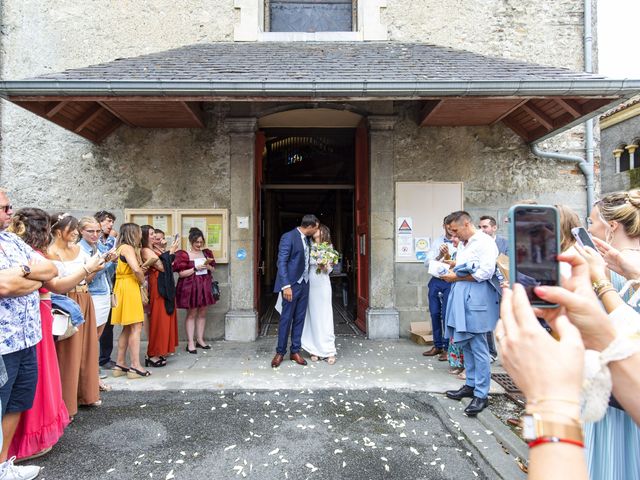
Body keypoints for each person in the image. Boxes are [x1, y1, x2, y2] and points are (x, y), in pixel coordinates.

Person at [7, 209, 103, 462]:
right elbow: (49, 282)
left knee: (33, 381)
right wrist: (37, 281)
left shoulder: (26, 252)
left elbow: (47, 274)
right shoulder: (28, 251)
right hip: (31, 319)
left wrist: (31, 280)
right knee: (30, 383)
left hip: (40, 312)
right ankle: (21, 443)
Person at [0, 191, 58, 480]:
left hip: (27, 337)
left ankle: (2, 466)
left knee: (17, 402)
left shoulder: (11, 241)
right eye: (5, 208)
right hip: (3, 341)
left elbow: (48, 269)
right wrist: (31, 280)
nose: (11, 213)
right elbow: (5, 287)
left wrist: (23, 272)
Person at [442, 211, 500, 416]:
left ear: (466, 224)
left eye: (455, 230)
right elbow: (464, 267)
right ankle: (471, 384)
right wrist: (452, 265)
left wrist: (456, 279)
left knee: (478, 345)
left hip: (476, 297)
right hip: (461, 296)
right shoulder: (465, 244)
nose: (453, 235)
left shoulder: (484, 242)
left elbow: (485, 272)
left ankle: (482, 394)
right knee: (465, 341)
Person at [48, 213, 103, 415]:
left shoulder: (78, 249)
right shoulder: (51, 252)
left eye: (74, 228)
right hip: (67, 300)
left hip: (85, 297)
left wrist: (97, 266)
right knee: (69, 353)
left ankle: (87, 394)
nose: (73, 233)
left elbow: (88, 276)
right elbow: (57, 285)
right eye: (69, 229)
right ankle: (67, 405)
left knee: (88, 348)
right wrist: (85, 271)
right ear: (57, 231)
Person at [271, 214, 319, 368]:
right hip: (291, 285)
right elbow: (282, 262)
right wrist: (286, 286)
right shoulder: (288, 237)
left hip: (305, 284)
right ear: (310, 226)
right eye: (316, 228)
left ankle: (295, 351)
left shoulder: (308, 240)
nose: (316, 231)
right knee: (286, 319)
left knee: (300, 318)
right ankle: (280, 352)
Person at [78, 217, 116, 385]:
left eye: (97, 231)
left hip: (104, 292)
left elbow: (106, 272)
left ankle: (92, 373)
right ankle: (89, 374)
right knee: (91, 337)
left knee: (97, 335)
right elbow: (86, 278)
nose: (95, 235)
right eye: (90, 231)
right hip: (93, 294)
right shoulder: (80, 250)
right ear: (81, 231)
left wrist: (111, 262)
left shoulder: (96, 247)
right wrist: (106, 263)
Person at [111, 223, 149, 379]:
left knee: (127, 328)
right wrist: (142, 282)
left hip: (120, 286)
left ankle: (120, 364)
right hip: (130, 286)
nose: (141, 235)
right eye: (139, 232)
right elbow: (136, 268)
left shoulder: (119, 248)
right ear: (134, 233)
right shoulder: (128, 248)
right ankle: (135, 366)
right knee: (136, 326)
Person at [172, 228, 217, 354]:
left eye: (201, 242)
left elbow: (213, 269)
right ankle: (190, 342)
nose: (199, 244)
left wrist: (207, 266)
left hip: (204, 285)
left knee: (202, 313)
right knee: (191, 314)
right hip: (190, 287)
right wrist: (195, 269)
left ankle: (200, 340)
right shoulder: (184, 254)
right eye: (196, 242)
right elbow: (181, 274)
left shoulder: (206, 253)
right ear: (191, 241)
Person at [141, 227, 180, 366]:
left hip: (164, 284)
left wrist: (167, 251)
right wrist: (173, 251)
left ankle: (160, 351)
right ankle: (152, 354)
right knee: (159, 319)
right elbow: (163, 266)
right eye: (151, 234)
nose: (154, 236)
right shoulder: (146, 250)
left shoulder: (155, 249)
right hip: (158, 287)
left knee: (165, 318)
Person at [301, 224, 337, 365]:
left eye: (319, 229)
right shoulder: (308, 246)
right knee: (313, 316)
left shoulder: (329, 248)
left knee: (325, 315)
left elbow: (329, 270)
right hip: (311, 284)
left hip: (323, 284)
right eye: (316, 230)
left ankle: (329, 350)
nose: (316, 231)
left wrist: (324, 265)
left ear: (324, 232)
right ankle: (313, 349)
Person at [422, 218, 455, 361]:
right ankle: (438, 345)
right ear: (444, 226)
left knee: (447, 315)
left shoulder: (461, 242)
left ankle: (448, 348)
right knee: (435, 313)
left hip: (451, 281)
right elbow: (426, 262)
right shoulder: (437, 241)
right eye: (447, 225)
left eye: (452, 225)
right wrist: (440, 255)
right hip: (436, 281)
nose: (450, 227)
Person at [94, 210, 117, 370]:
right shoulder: (95, 244)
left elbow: (110, 268)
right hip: (95, 290)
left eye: (111, 222)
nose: (110, 225)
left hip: (107, 287)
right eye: (108, 221)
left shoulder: (108, 241)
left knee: (108, 325)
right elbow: (100, 266)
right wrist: (111, 261)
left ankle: (104, 357)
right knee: (96, 328)